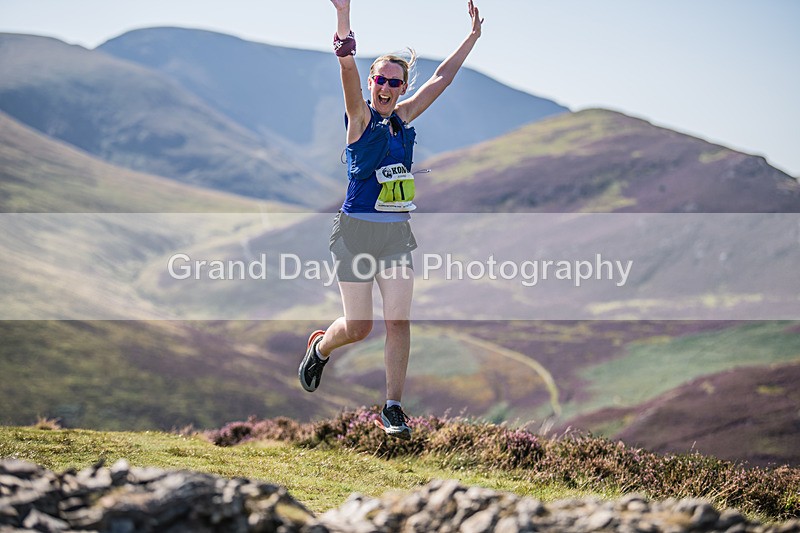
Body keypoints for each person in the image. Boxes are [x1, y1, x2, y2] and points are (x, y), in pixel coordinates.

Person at [299, 0, 484, 439]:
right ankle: (321, 347)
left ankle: (393, 408)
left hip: (396, 236)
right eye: (379, 79)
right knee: (360, 327)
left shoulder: (404, 118)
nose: (385, 86)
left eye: (394, 82)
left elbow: (442, 78)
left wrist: (472, 38)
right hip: (354, 237)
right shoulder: (360, 118)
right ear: (371, 82)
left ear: (402, 88)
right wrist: (343, 15)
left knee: (399, 321)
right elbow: (345, 65)